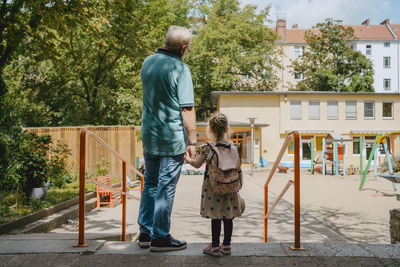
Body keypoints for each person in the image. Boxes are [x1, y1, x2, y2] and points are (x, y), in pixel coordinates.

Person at [137, 26, 197, 252]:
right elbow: (187, 109)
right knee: (166, 187)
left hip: (150, 135)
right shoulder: (180, 68)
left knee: (150, 184)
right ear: (183, 48)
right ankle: (160, 237)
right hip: (171, 139)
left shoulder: (147, 63)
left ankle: (145, 232)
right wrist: (192, 143)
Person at [185, 112, 244, 257]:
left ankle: (215, 246)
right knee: (228, 216)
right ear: (226, 129)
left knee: (216, 216)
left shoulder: (208, 147)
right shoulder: (234, 147)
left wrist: (188, 158)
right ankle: (227, 245)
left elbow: (197, 164)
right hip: (230, 187)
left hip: (214, 188)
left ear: (210, 128)